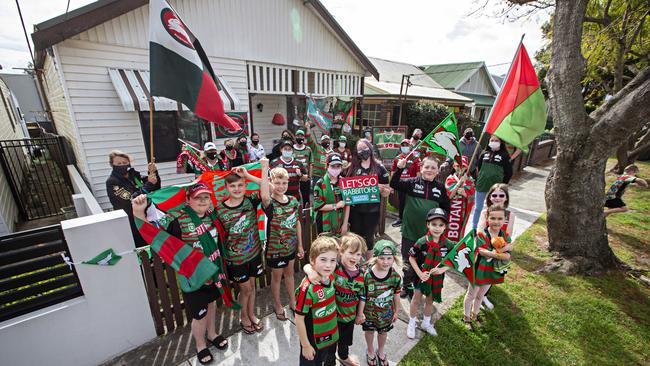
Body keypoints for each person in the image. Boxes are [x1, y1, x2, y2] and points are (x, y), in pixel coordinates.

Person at [131, 183, 230, 365]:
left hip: (213, 273)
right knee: (198, 315)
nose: (202, 201)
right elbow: (155, 234)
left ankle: (212, 334)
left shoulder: (213, 216)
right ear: (188, 200)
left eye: (206, 197)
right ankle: (200, 345)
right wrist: (138, 213)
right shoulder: (176, 220)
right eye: (197, 197)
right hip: (192, 278)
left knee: (212, 305)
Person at [214, 159, 269, 334]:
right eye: (233, 186)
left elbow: (268, 192)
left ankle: (251, 314)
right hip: (235, 259)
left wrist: (250, 174)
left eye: (240, 185)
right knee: (245, 289)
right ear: (226, 188)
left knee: (252, 287)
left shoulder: (250, 201)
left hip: (253, 253)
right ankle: (243, 317)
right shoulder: (219, 210)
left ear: (245, 186)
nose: (237, 189)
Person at [390, 155, 450, 298]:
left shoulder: (440, 188)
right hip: (410, 232)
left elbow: (446, 209)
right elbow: (394, 183)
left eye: (433, 168)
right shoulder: (411, 183)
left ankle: (418, 284)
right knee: (408, 262)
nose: (429, 170)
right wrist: (399, 169)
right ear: (421, 168)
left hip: (429, 236)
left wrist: (440, 226)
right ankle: (406, 285)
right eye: (427, 167)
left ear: (437, 172)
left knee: (423, 261)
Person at [304, 233, 367, 366]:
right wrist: (310, 272)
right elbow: (309, 265)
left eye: (358, 254)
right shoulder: (335, 268)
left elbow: (362, 295)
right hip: (332, 319)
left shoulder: (361, 274)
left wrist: (360, 313)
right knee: (330, 348)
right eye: (351, 253)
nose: (354, 257)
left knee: (345, 343)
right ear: (341, 252)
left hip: (349, 317)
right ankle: (330, 363)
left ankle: (344, 357)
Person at [263, 167, 304, 321]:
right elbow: (265, 195)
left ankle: (293, 301)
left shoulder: (293, 200)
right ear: (270, 183)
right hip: (275, 249)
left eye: (284, 183)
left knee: (290, 274)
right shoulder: (270, 202)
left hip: (291, 246)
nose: (281, 186)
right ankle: (277, 304)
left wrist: (300, 245)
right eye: (277, 183)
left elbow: (297, 223)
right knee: (276, 277)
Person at [464, 204, 512, 330]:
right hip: (478, 270)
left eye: (500, 218)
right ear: (487, 218)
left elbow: (508, 255)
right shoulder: (482, 234)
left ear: (504, 220)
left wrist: (499, 252)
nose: (496, 221)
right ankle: (466, 317)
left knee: (481, 295)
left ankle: (475, 315)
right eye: (493, 218)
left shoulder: (505, 236)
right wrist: (501, 251)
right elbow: (481, 251)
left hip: (491, 271)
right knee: (471, 294)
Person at [294, 235, 340, 366]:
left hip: (329, 337)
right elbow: (299, 318)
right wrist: (305, 346)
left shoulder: (331, 276)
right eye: (323, 260)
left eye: (332, 260)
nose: (328, 265)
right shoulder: (307, 289)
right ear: (313, 260)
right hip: (312, 341)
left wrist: (308, 268)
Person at [406, 208, 451, 338]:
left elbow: (453, 260)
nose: (437, 228)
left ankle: (426, 323)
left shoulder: (447, 244)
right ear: (427, 225)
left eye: (441, 225)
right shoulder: (422, 242)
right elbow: (411, 257)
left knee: (430, 300)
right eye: (434, 224)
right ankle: (412, 322)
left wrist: (443, 269)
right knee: (416, 299)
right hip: (421, 277)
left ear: (445, 227)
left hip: (436, 278)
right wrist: (420, 273)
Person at [357, 240, 402, 366]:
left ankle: (381, 351)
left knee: (383, 332)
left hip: (386, 313)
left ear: (394, 258)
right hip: (369, 313)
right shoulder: (367, 275)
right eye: (382, 258)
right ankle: (370, 350)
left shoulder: (395, 277)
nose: (386, 262)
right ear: (375, 258)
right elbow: (363, 296)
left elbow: (396, 295)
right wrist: (360, 313)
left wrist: (396, 311)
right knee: (369, 331)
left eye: (389, 258)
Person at [105, 150, 160, 248]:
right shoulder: (112, 182)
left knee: (154, 243)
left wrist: (153, 171)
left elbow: (155, 186)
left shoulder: (133, 175)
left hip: (148, 217)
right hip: (131, 222)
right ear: (112, 164)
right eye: (119, 163)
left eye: (125, 163)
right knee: (142, 249)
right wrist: (149, 184)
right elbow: (130, 199)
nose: (122, 165)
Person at [348, 139, 391, 259]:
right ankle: (355, 262)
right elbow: (346, 185)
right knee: (356, 237)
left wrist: (381, 189)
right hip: (355, 210)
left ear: (370, 149)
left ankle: (368, 264)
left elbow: (386, 193)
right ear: (356, 152)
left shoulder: (380, 168)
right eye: (360, 149)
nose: (363, 151)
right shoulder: (353, 167)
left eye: (365, 148)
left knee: (369, 238)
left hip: (372, 211)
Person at [476, 183, 515, 311]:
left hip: (500, 247)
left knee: (493, 273)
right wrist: (489, 249)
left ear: (506, 198)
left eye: (501, 195)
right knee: (481, 273)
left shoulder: (510, 215)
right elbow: (480, 231)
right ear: (490, 197)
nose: (498, 197)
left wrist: (501, 249)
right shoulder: (485, 212)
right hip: (485, 247)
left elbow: (507, 235)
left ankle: (483, 295)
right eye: (494, 195)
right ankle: (477, 297)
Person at [471, 135, 512, 231]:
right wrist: (478, 179)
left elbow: (509, 172)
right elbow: (478, 168)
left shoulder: (504, 156)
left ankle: (489, 228)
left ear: (501, 142)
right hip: (481, 184)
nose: (494, 142)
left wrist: (502, 186)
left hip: (495, 188)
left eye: (496, 140)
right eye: (492, 140)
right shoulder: (484, 153)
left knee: (493, 209)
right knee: (478, 208)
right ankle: (474, 228)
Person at [313, 154, 350, 236]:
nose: (336, 169)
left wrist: (345, 224)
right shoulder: (320, 184)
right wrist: (336, 205)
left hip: (341, 222)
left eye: (338, 166)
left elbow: (348, 204)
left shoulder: (344, 182)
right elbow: (318, 206)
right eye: (333, 166)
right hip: (324, 223)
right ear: (327, 166)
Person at [391, 139, 421, 227]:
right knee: (401, 201)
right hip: (401, 184)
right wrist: (392, 186)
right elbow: (393, 171)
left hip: (412, 184)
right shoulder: (397, 158)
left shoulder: (415, 158)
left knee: (411, 202)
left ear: (410, 147)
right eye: (403, 145)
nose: (405, 147)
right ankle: (400, 219)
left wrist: (418, 184)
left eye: (406, 145)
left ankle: (411, 220)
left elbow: (419, 173)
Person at [294, 129, 313, 207]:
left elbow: (311, 164)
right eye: (298, 136)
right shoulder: (292, 149)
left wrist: (310, 177)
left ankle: (307, 213)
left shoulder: (308, 149)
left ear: (304, 137)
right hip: (294, 176)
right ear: (295, 137)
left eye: (301, 136)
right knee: (295, 196)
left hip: (305, 177)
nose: (300, 137)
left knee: (306, 197)